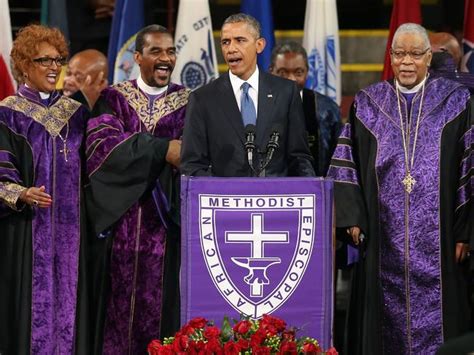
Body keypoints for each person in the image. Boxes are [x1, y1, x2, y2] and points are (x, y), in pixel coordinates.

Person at [328, 23, 473, 354]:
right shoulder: (368, 103)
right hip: (383, 239)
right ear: (390, 57)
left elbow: (469, 167)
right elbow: (345, 164)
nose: (406, 61)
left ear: (428, 58)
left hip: (441, 239)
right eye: (399, 53)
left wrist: (465, 232)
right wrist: (353, 219)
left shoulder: (456, 102)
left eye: (415, 54)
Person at [85, 24, 188, 354]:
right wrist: (162, 150)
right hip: (121, 228)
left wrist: (147, 149)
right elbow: (102, 149)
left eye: (170, 51)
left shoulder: (190, 102)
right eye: (156, 51)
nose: (165, 58)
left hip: (169, 229)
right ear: (137, 57)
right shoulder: (113, 99)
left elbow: (196, 156)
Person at [0, 24, 90, 354]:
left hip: (72, 234)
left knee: (70, 304)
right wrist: (20, 193)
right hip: (26, 232)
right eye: (44, 60)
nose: (54, 68)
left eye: (58, 60)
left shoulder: (76, 113)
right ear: (24, 64)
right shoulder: (8, 114)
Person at [181, 13, 314, 177]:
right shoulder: (202, 99)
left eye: (240, 40)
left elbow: (299, 158)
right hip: (226, 199)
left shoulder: (286, 92)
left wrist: (312, 192)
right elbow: (192, 165)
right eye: (225, 42)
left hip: (275, 198)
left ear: (259, 45)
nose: (231, 49)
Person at [269, 41, 341, 176]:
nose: (291, 79)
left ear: (307, 72)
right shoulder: (256, 107)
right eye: (283, 72)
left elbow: (339, 160)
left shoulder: (327, 110)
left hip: (315, 192)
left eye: (298, 72)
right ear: (271, 71)